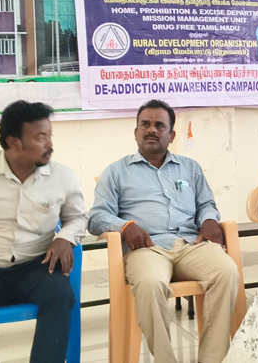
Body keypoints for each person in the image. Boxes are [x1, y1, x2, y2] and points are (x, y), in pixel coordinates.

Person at [88, 100, 239, 363]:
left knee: (227, 272)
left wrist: (209, 219)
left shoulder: (189, 167)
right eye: (145, 124)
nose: (151, 130)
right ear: (136, 132)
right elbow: (96, 217)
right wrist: (125, 226)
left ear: (171, 135)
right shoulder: (116, 171)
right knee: (150, 283)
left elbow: (206, 204)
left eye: (160, 125)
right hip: (147, 249)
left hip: (191, 244)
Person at [0, 100, 88, 363]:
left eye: (50, 135)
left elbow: (78, 218)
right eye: (41, 137)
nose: (50, 144)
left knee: (60, 296)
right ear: (14, 143)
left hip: (37, 266)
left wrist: (64, 237)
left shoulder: (62, 176)